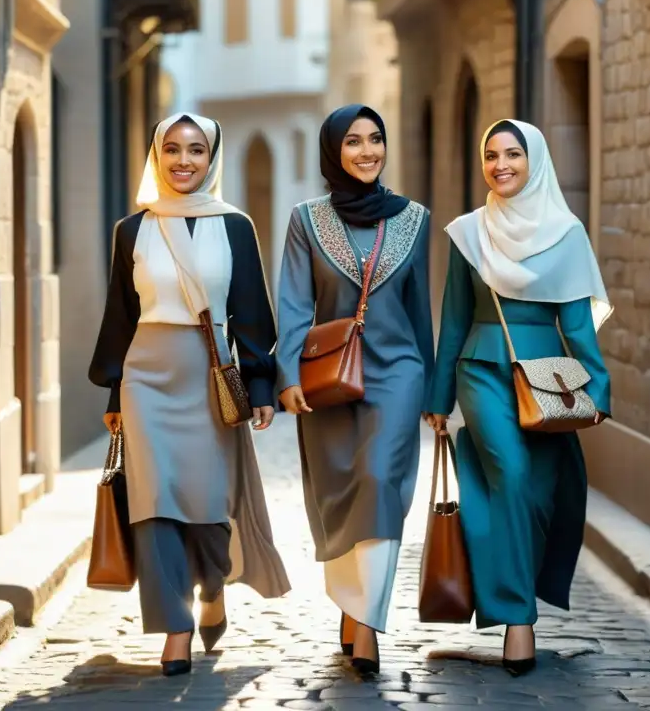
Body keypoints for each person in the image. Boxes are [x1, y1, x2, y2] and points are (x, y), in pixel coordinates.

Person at [88, 112, 290, 677]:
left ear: (211, 157)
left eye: (196, 150)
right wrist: (113, 395)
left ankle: (213, 587)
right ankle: (174, 628)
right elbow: (120, 316)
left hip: (210, 373)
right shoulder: (133, 230)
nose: (183, 161)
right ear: (157, 156)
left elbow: (251, 312)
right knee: (153, 504)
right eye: (172, 149)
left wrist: (260, 383)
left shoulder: (235, 226)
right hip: (146, 376)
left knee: (206, 503)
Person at [425, 119, 612, 677]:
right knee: (507, 472)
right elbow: (454, 319)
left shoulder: (566, 232)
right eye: (491, 154)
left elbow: (577, 324)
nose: (500, 164)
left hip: (548, 381)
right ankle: (517, 620)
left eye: (513, 154)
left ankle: (518, 591)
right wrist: (439, 397)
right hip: (481, 370)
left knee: (537, 491)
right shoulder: (468, 232)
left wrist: (596, 389)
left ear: (535, 162)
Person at [276, 104, 434, 675]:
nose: (367, 151)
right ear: (333, 153)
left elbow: (421, 312)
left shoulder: (413, 219)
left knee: (377, 482)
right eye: (353, 142)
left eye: (375, 139)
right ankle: (351, 604)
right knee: (339, 494)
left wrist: (434, 391)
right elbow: (293, 302)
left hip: (397, 374)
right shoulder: (307, 219)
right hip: (327, 380)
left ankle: (366, 625)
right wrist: (287, 377)